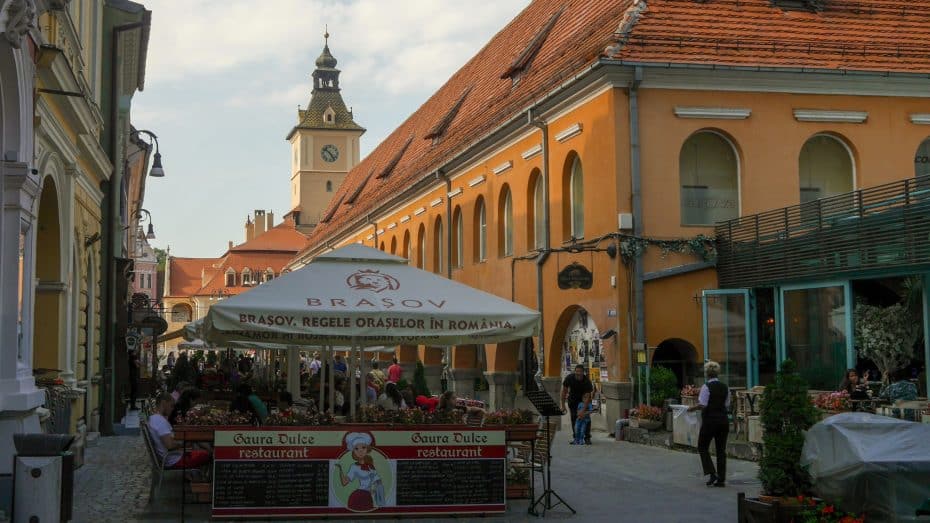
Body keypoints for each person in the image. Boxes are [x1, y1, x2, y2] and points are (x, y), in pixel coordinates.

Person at [688, 361, 730, 488]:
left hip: (710, 421)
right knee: (721, 450)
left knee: (702, 446)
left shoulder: (706, 387)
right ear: (718, 373)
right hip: (723, 421)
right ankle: (721, 479)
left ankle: (712, 473)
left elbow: (703, 404)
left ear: (707, 374)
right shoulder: (725, 387)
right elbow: (727, 404)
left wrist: (691, 408)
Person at [147, 393, 211, 469]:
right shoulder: (160, 421)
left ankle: (196, 475)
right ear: (164, 403)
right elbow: (170, 445)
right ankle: (202, 476)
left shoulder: (153, 418)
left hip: (172, 457)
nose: (172, 409)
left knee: (198, 446)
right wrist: (184, 443)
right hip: (174, 460)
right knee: (207, 454)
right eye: (171, 406)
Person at [334, 432, 384, 512]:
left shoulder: (371, 466)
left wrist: (376, 490)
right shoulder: (354, 467)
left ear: (367, 449)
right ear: (354, 451)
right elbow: (344, 482)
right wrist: (340, 470)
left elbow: (378, 481)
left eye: (363, 448)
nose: (360, 451)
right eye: (356, 449)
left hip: (368, 496)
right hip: (357, 496)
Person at [560, 364, 594, 444]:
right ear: (574, 372)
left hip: (583, 401)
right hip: (573, 401)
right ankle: (576, 437)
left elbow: (587, 397)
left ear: (583, 373)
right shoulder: (569, 378)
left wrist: (583, 410)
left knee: (586, 418)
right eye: (577, 371)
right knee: (574, 418)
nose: (578, 373)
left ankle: (587, 437)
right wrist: (563, 405)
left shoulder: (587, 382)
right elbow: (564, 391)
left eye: (580, 372)